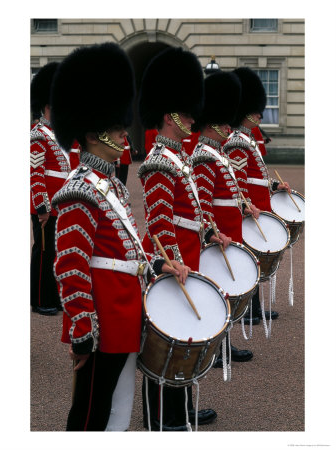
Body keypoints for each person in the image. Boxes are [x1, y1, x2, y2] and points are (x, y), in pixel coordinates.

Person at [50, 42, 189, 432]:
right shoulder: (80, 190)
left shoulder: (110, 186)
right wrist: (82, 331)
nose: (123, 134)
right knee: (91, 413)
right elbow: (70, 266)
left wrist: (161, 263)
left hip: (124, 311)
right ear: (94, 135)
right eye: (115, 128)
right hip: (102, 320)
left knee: (118, 408)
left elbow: (127, 250)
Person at [138, 47, 228, 431]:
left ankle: (182, 411)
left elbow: (190, 211)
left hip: (187, 254)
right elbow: (160, 224)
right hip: (170, 258)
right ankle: (160, 417)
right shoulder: (159, 161)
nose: (193, 117)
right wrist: (172, 262)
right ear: (169, 114)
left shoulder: (180, 157)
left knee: (184, 336)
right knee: (165, 342)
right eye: (187, 112)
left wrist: (210, 231)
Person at [191, 70, 260, 365]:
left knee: (227, 293)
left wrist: (245, 204)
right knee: (217, 294)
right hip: (219, 234)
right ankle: (215, 350)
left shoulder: (216, 153)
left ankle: (225, 346)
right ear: (212, 122)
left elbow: (231, 190)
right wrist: (211, 232)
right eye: (224, 122)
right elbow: (203, 203)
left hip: (230, 230)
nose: (229, 126)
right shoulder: (206, 155)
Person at [223, 67, 290, 323]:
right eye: (254, 111)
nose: (259, 115)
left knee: (256, 261)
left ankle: (256, 308)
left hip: (257, 205)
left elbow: (256, 176)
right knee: (250, 260)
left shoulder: (248, 139)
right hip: (248, 208)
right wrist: (246, 205)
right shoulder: (239, 141)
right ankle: (250, 310)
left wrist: (274, 186)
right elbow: (238, 182)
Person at [30, 62, 80, 316]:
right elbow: (35, 173)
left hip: (62, 204)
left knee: (58, 253)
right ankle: (40, 298)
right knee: (44, 253)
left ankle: (54, 296)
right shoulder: (38, 134)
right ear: (47, 106)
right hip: (47, 206)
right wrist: (42, 206)